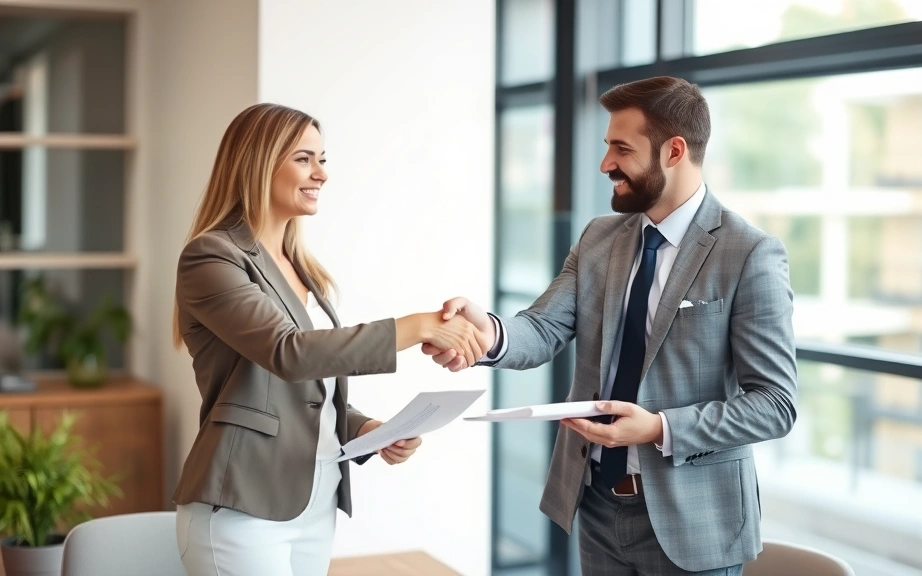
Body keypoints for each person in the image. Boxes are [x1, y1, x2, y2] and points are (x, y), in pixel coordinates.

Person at [425, 76, 798, 575]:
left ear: (674, 150)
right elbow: (543, 327)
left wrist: (659, 428)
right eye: (607, 148)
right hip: (596, 504)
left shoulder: (748, 253)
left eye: (621, 149)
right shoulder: (600, 237)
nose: (606, 165)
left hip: (694, 523)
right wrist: (486, 334)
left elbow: (775, 405)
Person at [171, 103, 487, 576]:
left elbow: (302, 389)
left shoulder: (304, 270)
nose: (321, 174)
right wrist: (418, 325)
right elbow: (288, 353)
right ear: (258, 163)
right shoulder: (211, 257)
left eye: (323, 159)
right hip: (242, 503)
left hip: (314, 499)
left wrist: (363, 430)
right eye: (304, 158)